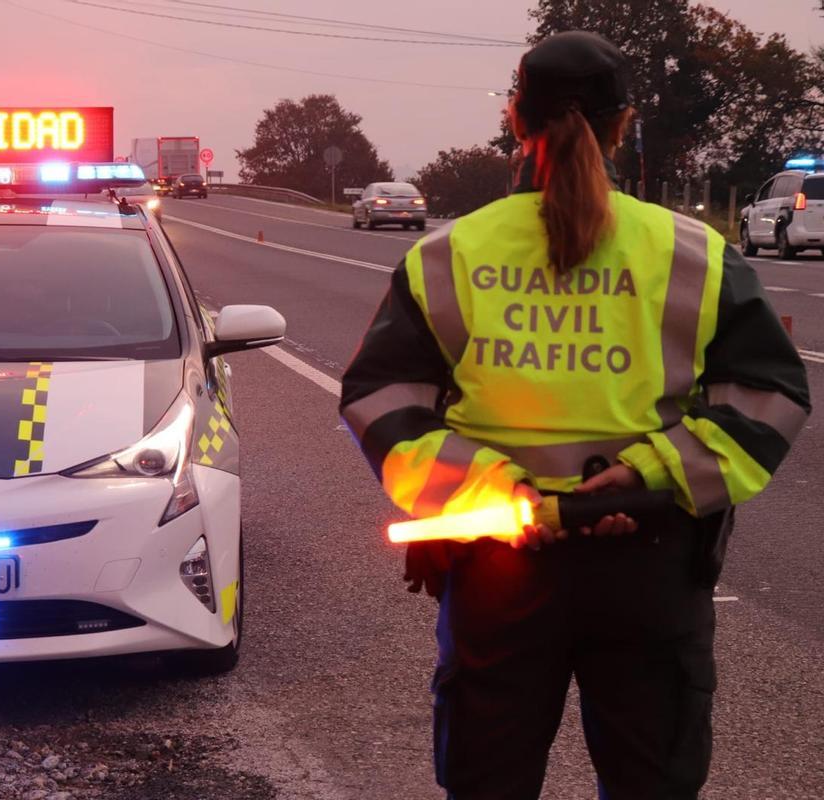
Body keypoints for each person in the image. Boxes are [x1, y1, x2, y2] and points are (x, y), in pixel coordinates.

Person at [339, 30, 810, 800]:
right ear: (624, 125)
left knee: (488, 782)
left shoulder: (448, 254)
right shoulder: (693, 253)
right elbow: (770, 396)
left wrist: (494, 488)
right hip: (649, 567)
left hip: (496, 566)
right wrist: (648, 476)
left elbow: (382, 400)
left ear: (515, 120)